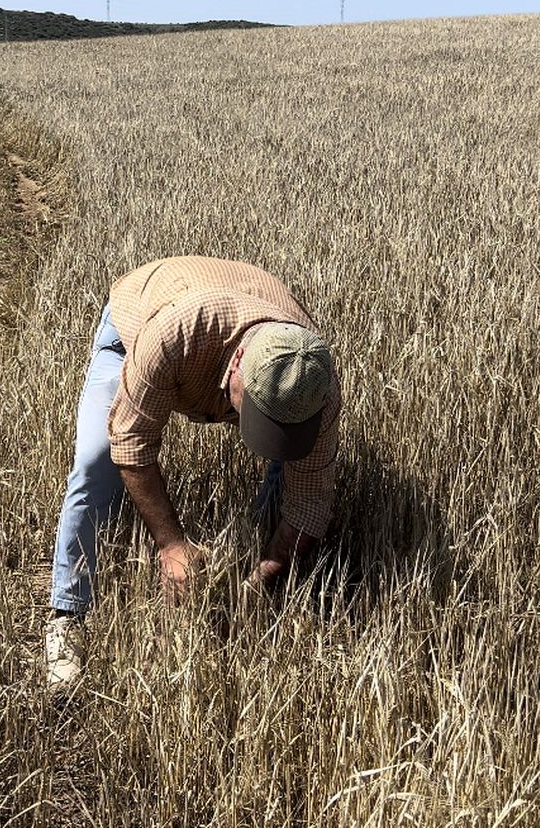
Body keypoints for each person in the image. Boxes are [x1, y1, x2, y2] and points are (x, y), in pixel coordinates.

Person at [45, 256, 341, 687]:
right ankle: (67, 613)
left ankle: (256, 540)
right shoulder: (176, 332)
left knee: (292, 465)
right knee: (97, 457)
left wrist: (261, 578)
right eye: (257, 414)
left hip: (237, 321)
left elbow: (312, 500)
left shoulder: (313, 382)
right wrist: (172, 545)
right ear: (238, 360)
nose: (257, 435)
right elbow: (133, 441)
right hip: (134, 329)